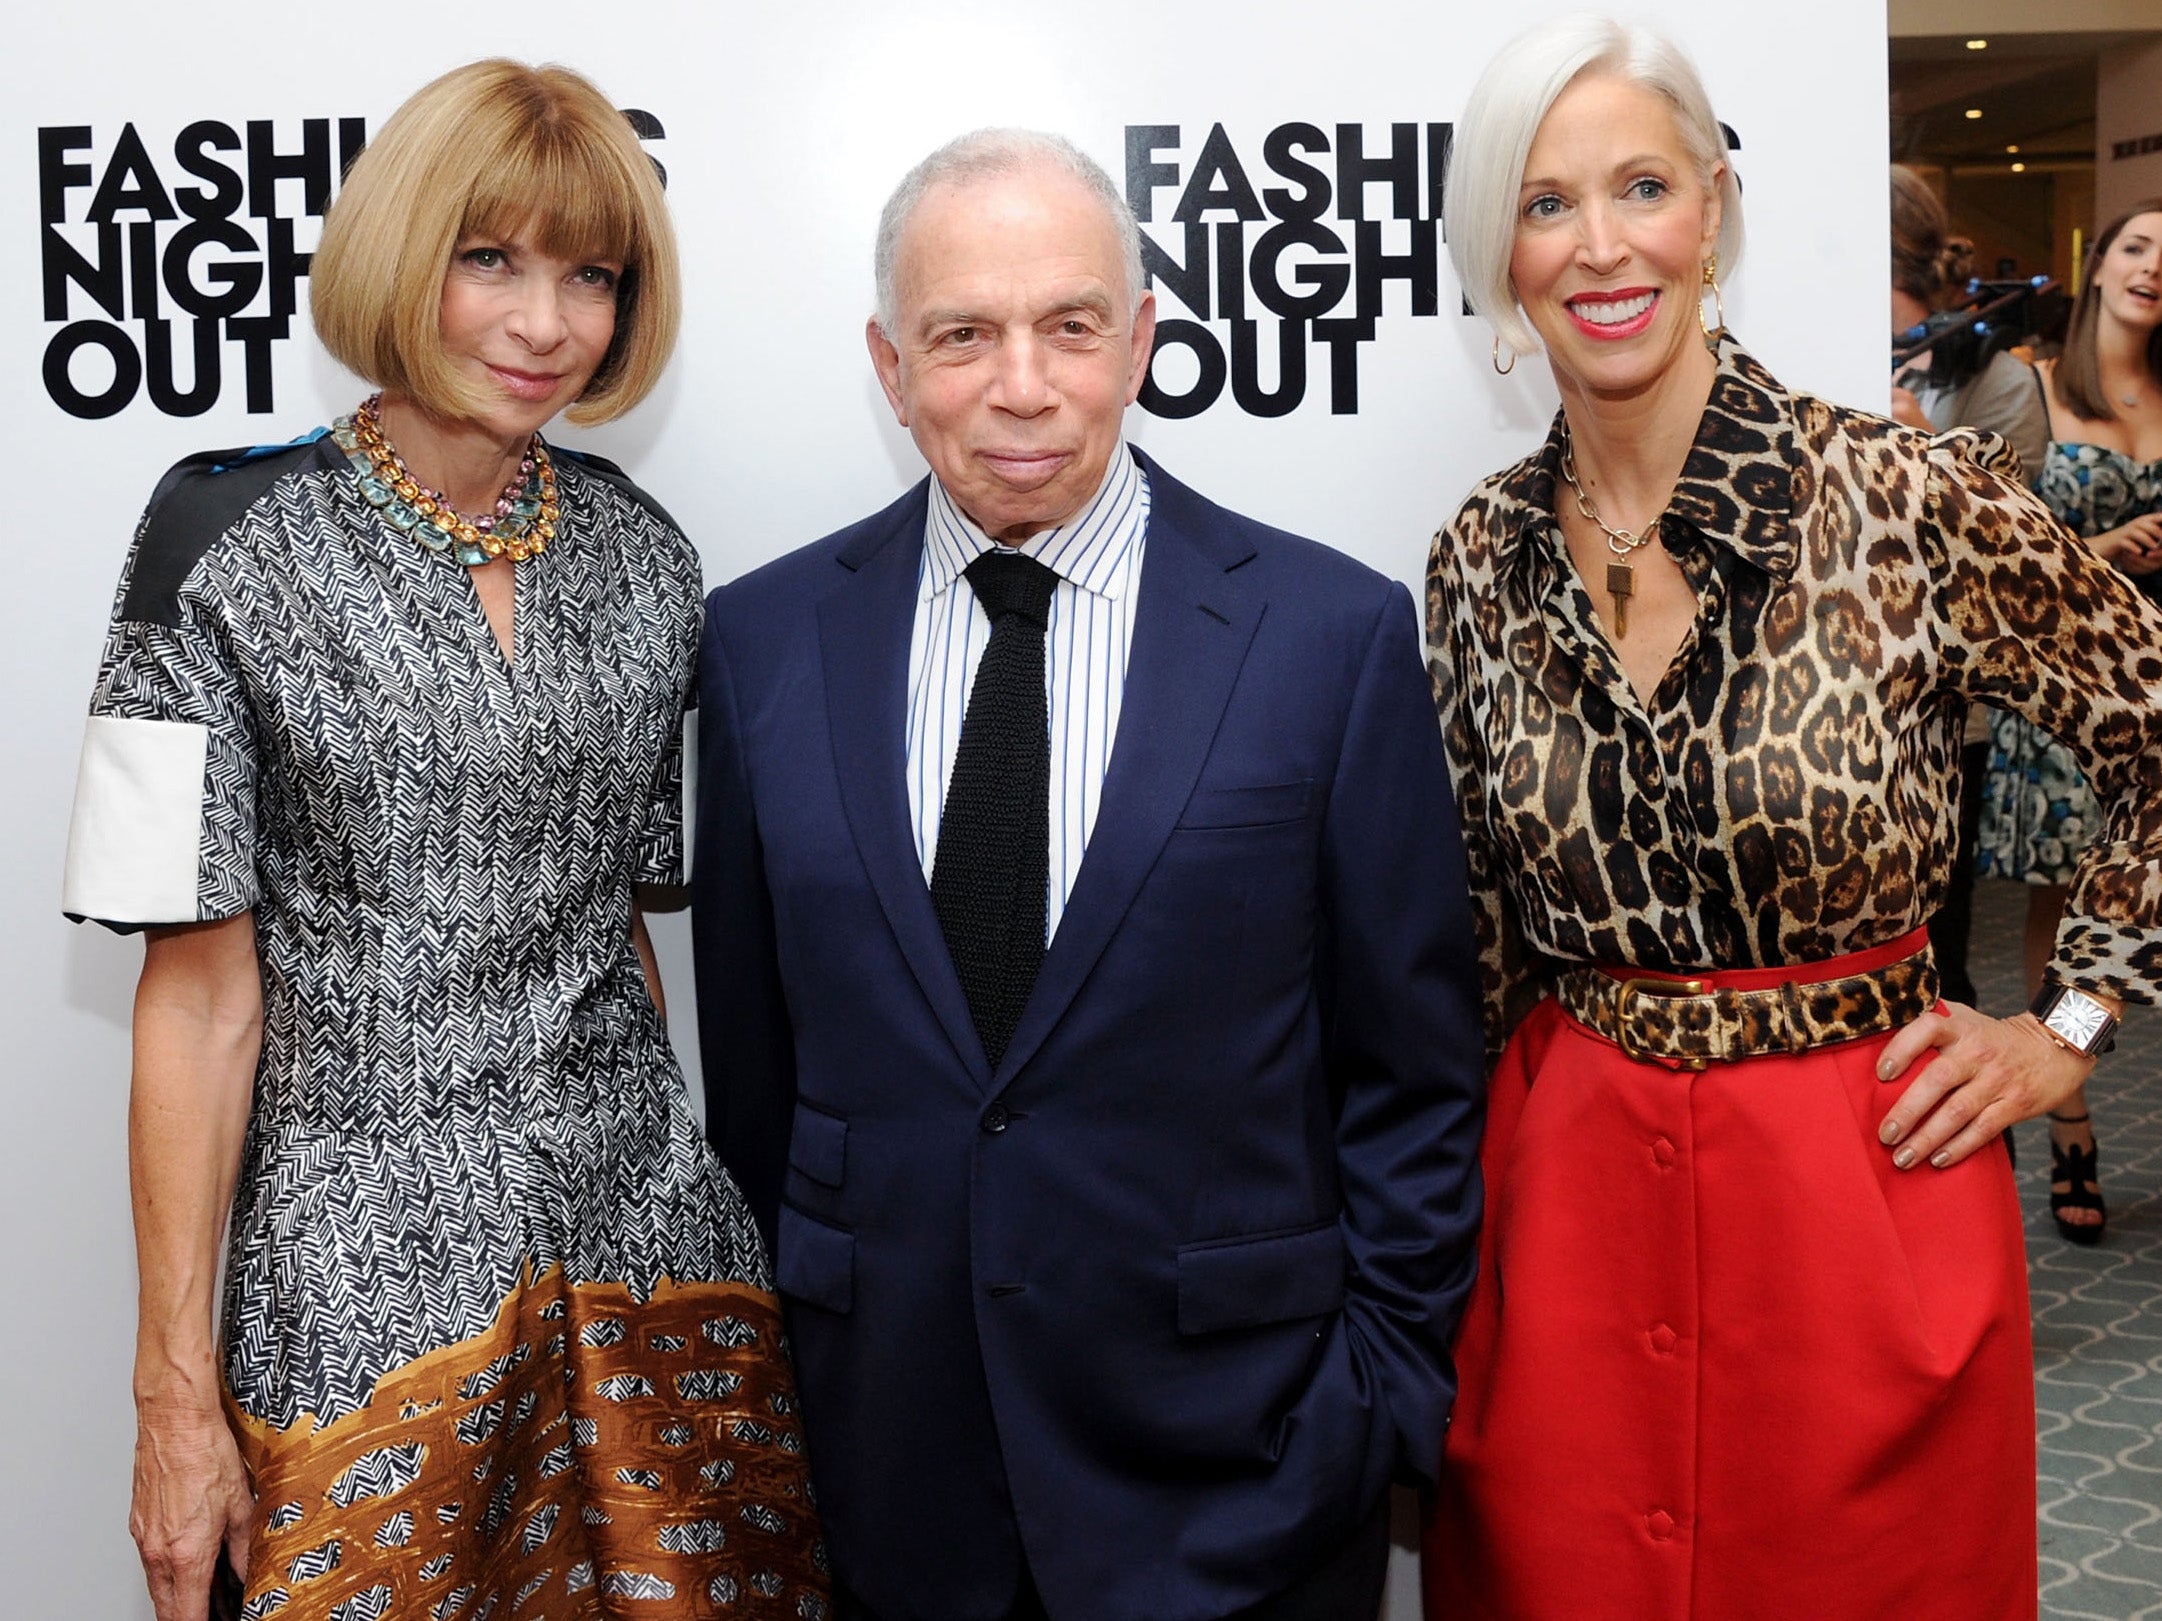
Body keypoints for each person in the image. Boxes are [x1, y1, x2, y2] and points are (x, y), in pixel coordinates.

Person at [62, 60, 824, 1621]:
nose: (544, 323)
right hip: (357, 1300)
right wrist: (170, 1396)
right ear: (405, 254)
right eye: (492, 259)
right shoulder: (218, 542)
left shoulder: (647, 560)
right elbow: (200, 1001)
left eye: (589, 274)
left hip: (650, 1266)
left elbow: (619, 941)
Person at [1422, 17, 2162, 1621]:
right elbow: (1471, 934)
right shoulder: (1475, 558)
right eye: (1544, 204)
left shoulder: (1904, 499)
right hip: (1561, 1232)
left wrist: (2072, 1019)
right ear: (1499, 249)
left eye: (1639, 186)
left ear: (1715, 209)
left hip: (1862, 1206)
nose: (1600, 245)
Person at [692, 128, 1485, 1621]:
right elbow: (752, 1078)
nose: (1020, 386)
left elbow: (1415, 1074)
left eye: (1067, 326)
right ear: (887, 361)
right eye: (962, 336)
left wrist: (1372, 1398)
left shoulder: (1325, 634)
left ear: (1140, 340)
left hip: (1245, 1476)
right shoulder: (761, 645)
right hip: (888, 1477)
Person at [1976, 196, 2162, 1244]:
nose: (2147, 269)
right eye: (2133, 248)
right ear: (2097, 267)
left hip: (2157, 700)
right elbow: (1995, 578)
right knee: (2071, 928)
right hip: (2061, 707)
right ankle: (2071, 1107)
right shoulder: (2031, 392)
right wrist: (2100, 553)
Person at [1886, 165, 2048, 1021]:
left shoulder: (1995, 378)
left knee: (1938, 980)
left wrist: (1923, 461)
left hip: (1946, 713)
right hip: (1821, 698)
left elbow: (2015, 567)